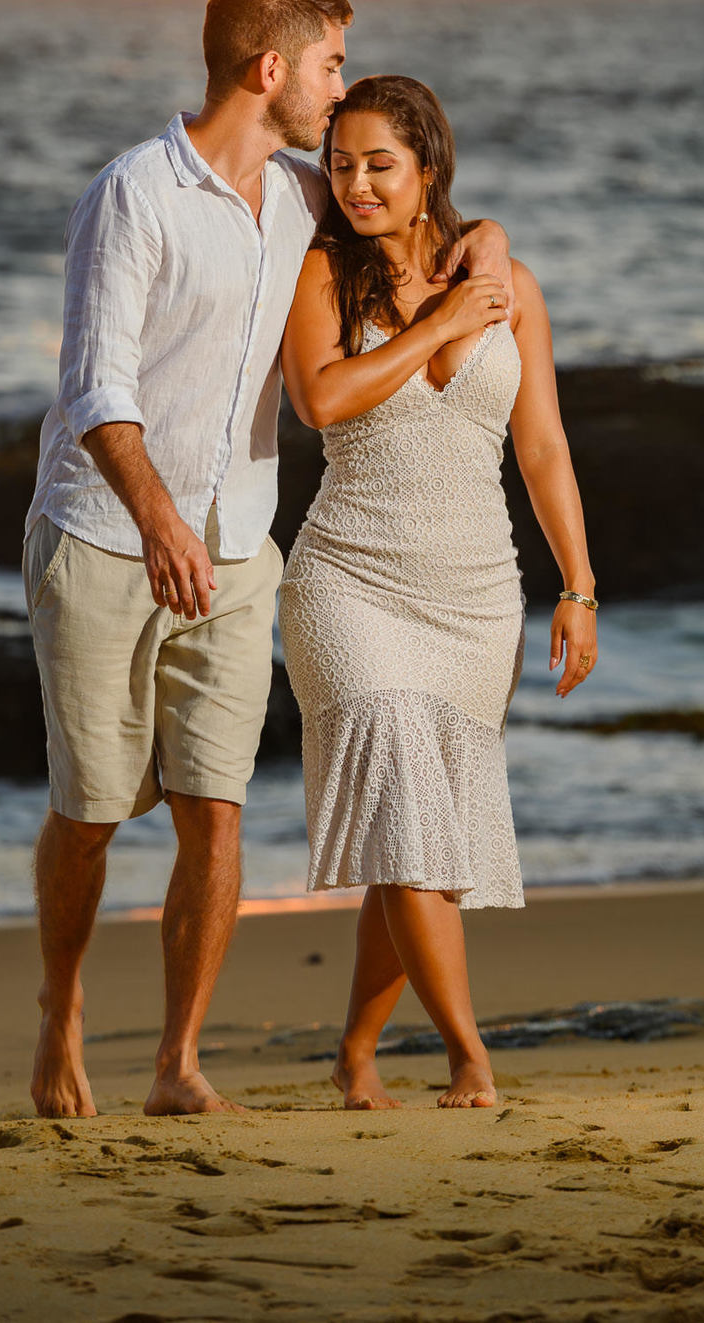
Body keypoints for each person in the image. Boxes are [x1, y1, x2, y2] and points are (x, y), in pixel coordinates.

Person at [23, 0, 510, 1119]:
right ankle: (62, 1006)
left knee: (216, 805)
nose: (342, 93)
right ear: (271, 69)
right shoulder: (133, 194)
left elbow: (430, 215)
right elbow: (96, 390)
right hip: (103, 536)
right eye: (333, 64)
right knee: (93, 809)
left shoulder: (304, 199)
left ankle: (177, 1063)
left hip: (241, 548)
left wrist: (487, 243)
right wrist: (156, 524)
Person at [278, 74, 598, 1111]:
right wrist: (442, 320)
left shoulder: (509, 278)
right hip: (349, 581)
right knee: (405, 791)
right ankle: (471, 1055)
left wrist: (580, 586)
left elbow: (542, 445)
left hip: (475, 593)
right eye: (341, 164)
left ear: (428, 170)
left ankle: (356, 1054)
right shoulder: (322, 273)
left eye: (380, 164)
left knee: (410, 833)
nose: (358, 183)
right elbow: (323, 397)